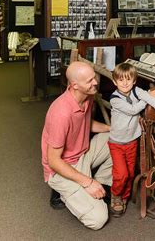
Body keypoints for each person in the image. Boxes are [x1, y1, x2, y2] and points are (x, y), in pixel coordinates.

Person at [41, 61, 112, 230]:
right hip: (62, 167)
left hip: (82, 154)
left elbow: (86, 123)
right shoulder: (61, 113)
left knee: (117, 139)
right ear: (74, 85)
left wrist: (112, 129)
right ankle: (67, 192)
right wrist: (87, 182)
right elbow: (54, 161)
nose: (95, 82)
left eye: (93, 77)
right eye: (89, 81)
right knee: (98, 219)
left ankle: (100, 185)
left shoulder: (87, 97)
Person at [108, 62, 155, 217]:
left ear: (134, 81)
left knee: (131, 171)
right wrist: (147, 97)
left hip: (132, 140)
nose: (125, 83)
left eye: (128, 79)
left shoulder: (136, 91)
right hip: (117, 143)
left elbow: (149, 98)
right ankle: (116, 194)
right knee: (121, 173)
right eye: (121, 80)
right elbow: (133, 110)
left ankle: (124, 197)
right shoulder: (115, 99)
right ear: (115, 82)